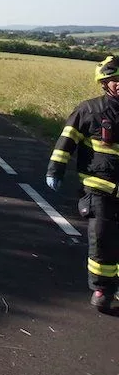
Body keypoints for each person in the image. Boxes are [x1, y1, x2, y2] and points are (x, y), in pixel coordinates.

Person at [46, 54, 119, 312]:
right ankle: (102, 289)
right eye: (114, 79)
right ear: (104, 83)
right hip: (98, 188)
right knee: (101, 239)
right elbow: (67, 141)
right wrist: (56, 169)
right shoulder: (89, 110)